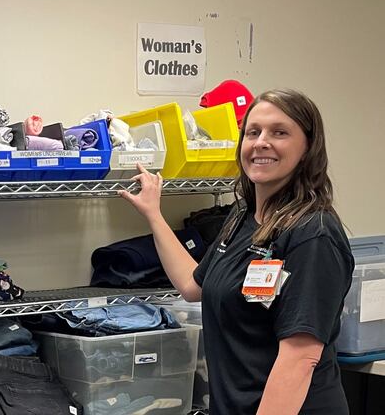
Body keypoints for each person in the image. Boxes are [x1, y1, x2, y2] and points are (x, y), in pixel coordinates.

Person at [119, 89, 353, 414]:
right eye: (253, 132)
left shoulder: (313, 235)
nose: (261, 142)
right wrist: (153, 215)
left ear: (307, 148)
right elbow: (192, 285)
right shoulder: (243, 217)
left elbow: (300, 359)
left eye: (279, 132)